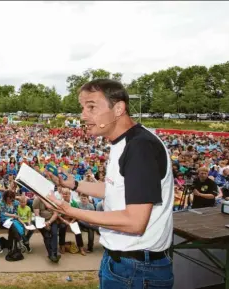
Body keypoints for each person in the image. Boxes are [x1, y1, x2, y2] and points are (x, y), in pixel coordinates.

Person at [46, 79, 174, 289]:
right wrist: (74, 184)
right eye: (82, 108)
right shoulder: (123, 143)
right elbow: (116, 190)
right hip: (123, 261)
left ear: (118, 109)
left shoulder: (140, 147)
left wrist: (70, 210)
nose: (83, 115)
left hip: (137, 268)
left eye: (92, 107)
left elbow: (135, 222)